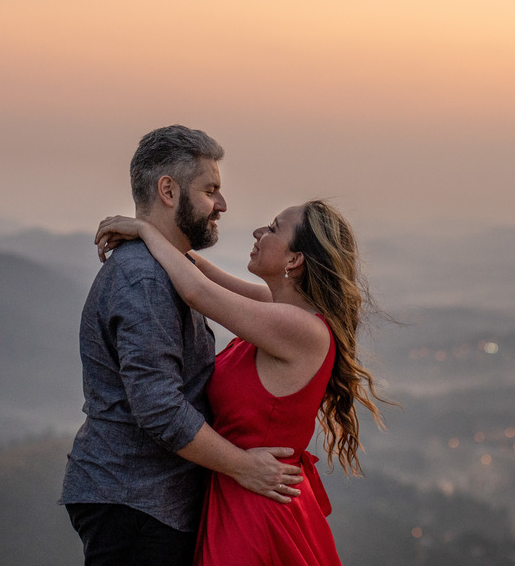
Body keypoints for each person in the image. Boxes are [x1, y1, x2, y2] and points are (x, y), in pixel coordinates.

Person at [95, 198, 389, 566]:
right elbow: (199, 272)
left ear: (294, 260)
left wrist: (144, 229)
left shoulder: (300, 329)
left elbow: (197, 292)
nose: (258, 232)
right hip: (243, 488)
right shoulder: (280, 309)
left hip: (256, 508)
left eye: (273, 229)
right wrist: (154, 234)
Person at [60, 125, 304, 566]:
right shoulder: (145, 280)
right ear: (168, 191)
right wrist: (244, 466)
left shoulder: (166, 271)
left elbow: (224, 294)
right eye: (210, 190)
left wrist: (148, 232)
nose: (222, 204)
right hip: (137, 502)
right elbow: (160, 408)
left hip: (149, 500)